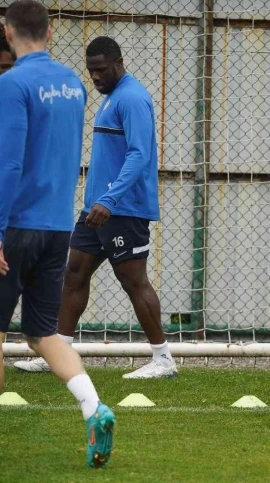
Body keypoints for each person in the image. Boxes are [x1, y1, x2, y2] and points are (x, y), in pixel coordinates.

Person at [14, 36, 177, 379]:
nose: (95, 77)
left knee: (133, 280)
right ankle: (58, 351)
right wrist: (97, 202)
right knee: (74, 273)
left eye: (101, 70)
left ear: (118, 63)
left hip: (122, 209)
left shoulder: (132, 98)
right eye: (91, 71)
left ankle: (163, 359)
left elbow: (139, 155)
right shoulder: (111, 98)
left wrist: (110, 199)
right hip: (97, 209)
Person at [0, 0, 114, 467]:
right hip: (57, 226)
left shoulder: (12, 84)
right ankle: (94, 406)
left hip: (16, 224)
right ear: (49, 32)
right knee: (44, 333)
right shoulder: (73, 85)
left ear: (8, 32)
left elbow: (9, 164)